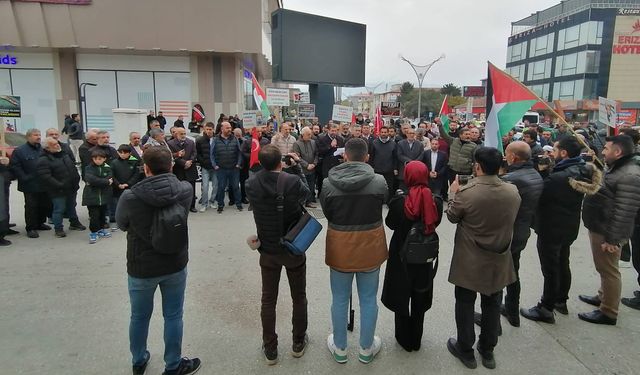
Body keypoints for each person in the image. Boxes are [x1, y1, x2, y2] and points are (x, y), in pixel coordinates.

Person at [115, 146, 201, 375]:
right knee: (173, 315)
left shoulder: (130, 196)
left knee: (139, 316)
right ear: (171, 166)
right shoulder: (184, 190)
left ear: (145, 168)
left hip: (141, 266)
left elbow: (121, 224)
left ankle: (138, 359)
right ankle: (173, 364)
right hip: (175, 262)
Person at [445, 147, 521, 370]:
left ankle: (465, 348)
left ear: (477, 166)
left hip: (471, 258)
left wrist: (453, 193)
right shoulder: (512, 191)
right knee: (492, 303)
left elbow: (451, 216)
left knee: (465, 302)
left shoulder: (468, 193)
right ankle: (487, 350)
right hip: (499, 256)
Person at [320, 138, 388, 364]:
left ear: (345, 156)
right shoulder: (379, 181)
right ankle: (366, 348)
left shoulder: (328, 183)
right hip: (370, 244)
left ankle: (340, 348)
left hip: (340, 244)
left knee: (339, 298)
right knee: (369, 299)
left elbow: (328, 213)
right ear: (367, 157)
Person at [521, 138, 601, 323]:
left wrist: (541, 173)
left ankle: (546, 308)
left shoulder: (559, 177)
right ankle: (560, 300)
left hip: (552, 226)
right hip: (568, 226)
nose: (551, 153)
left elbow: (541, 194)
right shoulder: (582, 169)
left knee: (550, 269)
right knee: (562, 263)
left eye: (555, 150)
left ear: (564, 153)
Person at [245, 145, 310, 365]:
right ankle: (298, 342)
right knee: (298, 296)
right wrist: (296, 168)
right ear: (280, 162)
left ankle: (270, 348)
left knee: (268, 300)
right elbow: (306, 193)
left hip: (268, 249)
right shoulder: (290, 181)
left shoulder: (251, 183)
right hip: (292, 247)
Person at [476, 141, 543, 329]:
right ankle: (512, 312)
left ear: (513, 157)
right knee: (513, 273)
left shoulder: (511, 180)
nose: (505, 156)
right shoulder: (535, 174)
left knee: (494, 278)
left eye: (506, 153)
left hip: (506, 235)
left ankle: (491, 320)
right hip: (521, 232)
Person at [579, 135, 640, 325]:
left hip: (608, 230)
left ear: (618, 151)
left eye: (606, 149)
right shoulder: (617, 167)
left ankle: (608, 311)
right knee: (604, 268)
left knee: (609, 270)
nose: (603, 152)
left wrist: (613, 240)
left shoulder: (630, 174)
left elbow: (625, 212)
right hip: (600, 225)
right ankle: (603, 296)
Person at [382, 161, 442, 352]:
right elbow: (436, 222)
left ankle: (403, 337)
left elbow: (390, 224)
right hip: (424, 256)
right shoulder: (436, 201)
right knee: (420, 295)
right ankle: (416, 339)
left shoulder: (400, 202)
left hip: (401, 254)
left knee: (401, 294)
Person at [37, 137, 86, 238]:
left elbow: (72, 168)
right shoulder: (43, 160)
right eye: (54, 144)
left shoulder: (64, 154)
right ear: (47, 148)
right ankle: (58, 229)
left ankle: (74, 223)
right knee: (59, 209)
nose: (57, 145)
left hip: (71, 187)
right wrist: (59, 185)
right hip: (58, 190)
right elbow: (46, 176)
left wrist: (76, 180)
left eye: (57, 143)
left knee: (71, 206)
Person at [10, 129, 52, 238]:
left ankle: (40, 223)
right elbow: (15, 166)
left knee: (44, 204)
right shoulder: (20, 151)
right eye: (35, 135)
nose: (38, 137)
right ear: (28, 137)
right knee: (31, 206)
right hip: (29, 184)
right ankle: (31, 227)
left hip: (44, 182)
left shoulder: (43, 149)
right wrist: (24, 177)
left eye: (39, 134)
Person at [82, 149, 114, 244]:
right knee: (94, 216)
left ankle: (101, 229)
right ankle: (93, 232)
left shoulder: (108, 168)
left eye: (100, 159)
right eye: (95, 159)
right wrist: (105, 182)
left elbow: (110, 177)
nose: (97, 160)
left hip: (104, 196)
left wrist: (100, 181)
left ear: (104, 159)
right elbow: (90, 179)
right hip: (92, 197)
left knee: (102, 214)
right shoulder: (89, 168)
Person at [210, 121, 243, 213]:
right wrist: (214, 165)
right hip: (221, 169)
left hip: (234, 168)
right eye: (227, 128)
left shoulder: (234, 138)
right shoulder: (215, 139)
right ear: (222, 129)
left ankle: (239, 204)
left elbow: (239, 152)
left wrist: (238, 163)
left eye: (230, 127)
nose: (230, 129)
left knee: (236, 187)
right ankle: (220, 205)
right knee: (221, 187)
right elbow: (211, 154)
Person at [436, 118, 478, 186]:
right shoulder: (453, 141)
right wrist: (440, 126)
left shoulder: (473, 146)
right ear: (460, 135)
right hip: (452, 170)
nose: (468, 136)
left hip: (465, 172)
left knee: (463, 189)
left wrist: (474, 173)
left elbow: (475, 160)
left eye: (469, 134)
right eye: (466, 134)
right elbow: (444, 135)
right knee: (454, 188)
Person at [168, 128, 198, 213]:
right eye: (181, 134)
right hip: (179, 169)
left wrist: (190, 161)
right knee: (179, 189)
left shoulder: (191, 142)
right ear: (176, 134)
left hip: (190, 168)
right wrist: (184, 163)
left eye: (184, 133)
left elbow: (194, 153)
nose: (183, 135)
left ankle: (192, 206)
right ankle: (180, 206)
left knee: (192, 188)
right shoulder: (170, 143)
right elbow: (172, 156)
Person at [293, 127, 319, 207]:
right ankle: (301, 202)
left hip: (312, 168)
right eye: (308, 135)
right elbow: (297, 157)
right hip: (302, 169)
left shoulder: (313, 142)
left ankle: (309, 201)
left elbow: (316, 154)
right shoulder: (297, 144)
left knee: (311, 186)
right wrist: (307, 165)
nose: (310, 136)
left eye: (310, 134)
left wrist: (314, 164)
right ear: (302, 134)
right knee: (302, 186)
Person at [370, 126, 398, 201]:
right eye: (382, 132)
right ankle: (378, 201)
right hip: (377, 170)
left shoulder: (393, 143)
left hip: (389, 170)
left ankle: (389, 202)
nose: (383, 134)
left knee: (389, 187)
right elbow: (371, 156)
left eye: (385, 132)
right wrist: (372, 167)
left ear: (388, 133)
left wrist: (395, 168)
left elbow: (395, 157)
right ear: (379, 133)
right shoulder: (374, 142)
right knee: (377, 187)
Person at [111, 144, 142, 211]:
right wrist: (118, 184)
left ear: (130, 153)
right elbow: (112, 175)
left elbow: (136, 174)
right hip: (118, 188)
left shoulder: (135, 161)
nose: (122, 154)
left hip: (131, 187)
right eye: (120, 152)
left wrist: (128, 183)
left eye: (125, 153)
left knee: (131, 206)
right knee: (119, 206)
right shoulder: (114, 162)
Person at [317, 124, 345, 194]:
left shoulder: (340, 139)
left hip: (337, 164)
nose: (334, 132)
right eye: (332, 131)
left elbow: (342, 149)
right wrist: (330, 146)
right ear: (328, 130)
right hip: (326, 164)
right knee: (326, 181)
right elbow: (320, 152)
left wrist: (342, 154)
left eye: (335, 131)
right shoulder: (322, 139)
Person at [195, 122, 217, 212]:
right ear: (204, 129)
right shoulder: (200, 140)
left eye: (210, 129)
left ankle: (212, 201)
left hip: (215, 167)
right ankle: (204, 204)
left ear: (213, 129)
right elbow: (198, 153)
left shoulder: (217, 139)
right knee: (205, 186)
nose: (208, 131)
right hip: (205, 167)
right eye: (207, 129)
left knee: (215, 186)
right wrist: (203, 162)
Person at [396, 127, 424, 191]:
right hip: (404, 170)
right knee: (403, 191)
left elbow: (421, 155)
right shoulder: (400, 143)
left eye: (413, 133)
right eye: (410, 133)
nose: (411, 135)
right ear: (406, 134)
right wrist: (410, 162)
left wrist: (414, 163)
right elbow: (399, 155)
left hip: (415, 171)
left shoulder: (419, 144)